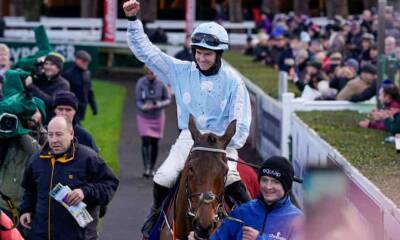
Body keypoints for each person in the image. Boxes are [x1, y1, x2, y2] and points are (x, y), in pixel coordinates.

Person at [123, 1, 252, 238]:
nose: (202, 58)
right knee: (163, 177)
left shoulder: (233, 81)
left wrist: (225, 146)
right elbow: (147, 52)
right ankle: (155, 217)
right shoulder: (180, 70)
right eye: (199, 53)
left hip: (221, 146)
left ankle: (252, 224)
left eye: (208, 54)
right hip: (189, 140)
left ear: (218, 54)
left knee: (235, 182)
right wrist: (133, 21)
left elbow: (241, 121)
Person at [19, 116, 119, 240]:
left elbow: (110, 183)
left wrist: (84, 192)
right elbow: (30, 190)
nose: (54, 140)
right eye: (50, 135)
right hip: (41, 234)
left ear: (71, 134)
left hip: (79, 235)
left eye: (59, 134)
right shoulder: (36, 160)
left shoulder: (88, 158)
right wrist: (26, 210)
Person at [189, 156, 303, 240]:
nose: (268, 187)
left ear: (286, 186)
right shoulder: (242, 212)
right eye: (264, 180)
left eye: (275, 182)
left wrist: (259, 239)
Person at [136, 67, 171, 177]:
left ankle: (152, 168)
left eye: (153, 73)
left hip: (158, 116)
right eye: (149, 73)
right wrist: (143, 106)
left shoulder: (162, 83)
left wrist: (159, 104)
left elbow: (168, 98)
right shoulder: (140, 83)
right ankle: (146, 168)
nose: (151, 75)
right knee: (145, 140)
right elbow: (138, 100)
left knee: (155, 142)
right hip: (144, 116)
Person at [24, 52, 70, 123]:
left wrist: (31, 87)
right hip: (33, 119)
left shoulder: (63, 84)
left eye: (52, 64)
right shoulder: (41, 78)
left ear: (59, 68)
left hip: (51, 122)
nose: (47, 67)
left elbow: (51, 102)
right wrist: (36, 64)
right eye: (46, 64)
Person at [63, 50, 97, 123]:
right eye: (84, 61)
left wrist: (94, 107)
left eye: (87, 61)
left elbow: (89, 92)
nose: (86, 63)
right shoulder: (68, 74)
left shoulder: (87, 74)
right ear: (77, 60)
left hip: (82, 108)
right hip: (71, 108)